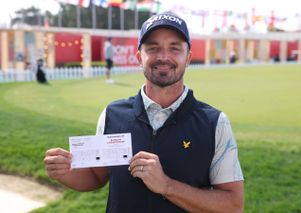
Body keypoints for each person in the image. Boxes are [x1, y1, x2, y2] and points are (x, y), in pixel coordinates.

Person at [44, 11, 244, 212]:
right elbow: (96, 176)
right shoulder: (112, 114)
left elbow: (233, 206)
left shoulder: (214, 123)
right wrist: (65, 172)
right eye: (153, 48)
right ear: (140, 57)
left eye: (174, 48)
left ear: (188, 58)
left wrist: (166, 186)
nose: (163, 57)